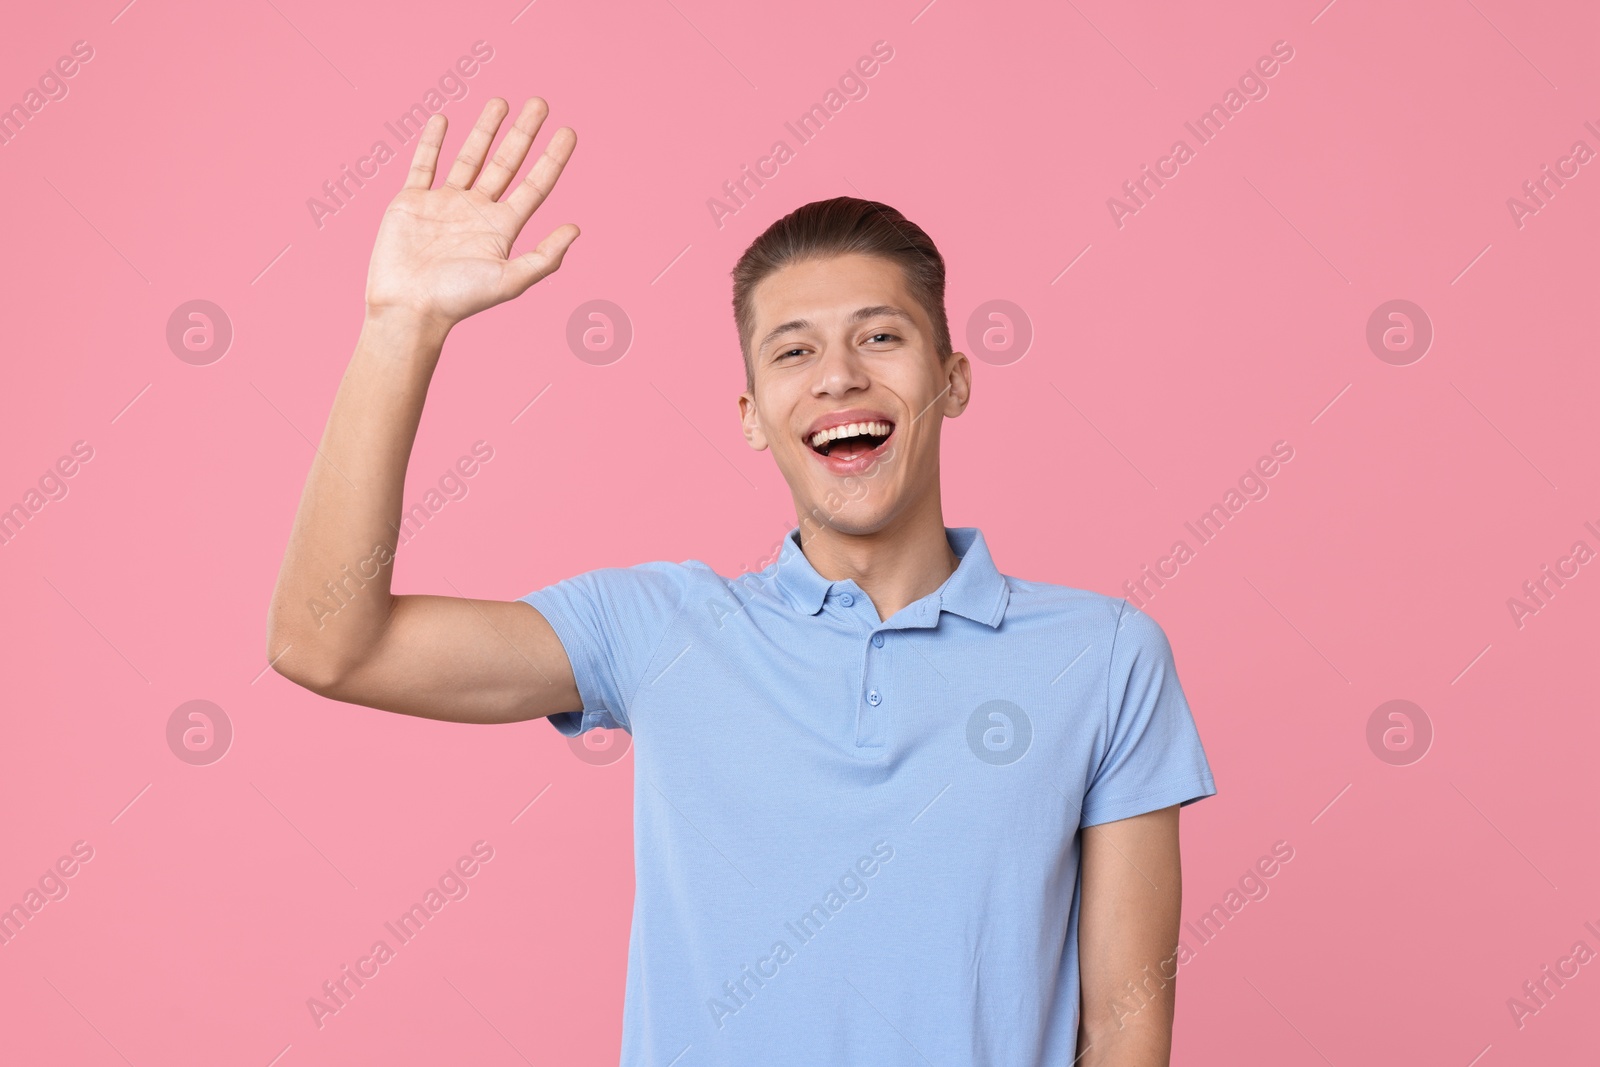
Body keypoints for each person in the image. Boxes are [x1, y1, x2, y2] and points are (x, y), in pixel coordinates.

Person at [267, 95, 1217, 1067]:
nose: (837, 375)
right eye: (793, 350)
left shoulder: (1101, 657)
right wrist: (401, 326)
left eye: (879, 336)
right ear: (754, 412)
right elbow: (327, 640)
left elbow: (1122, 1025)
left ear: (952, 376)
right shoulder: (658, 627)